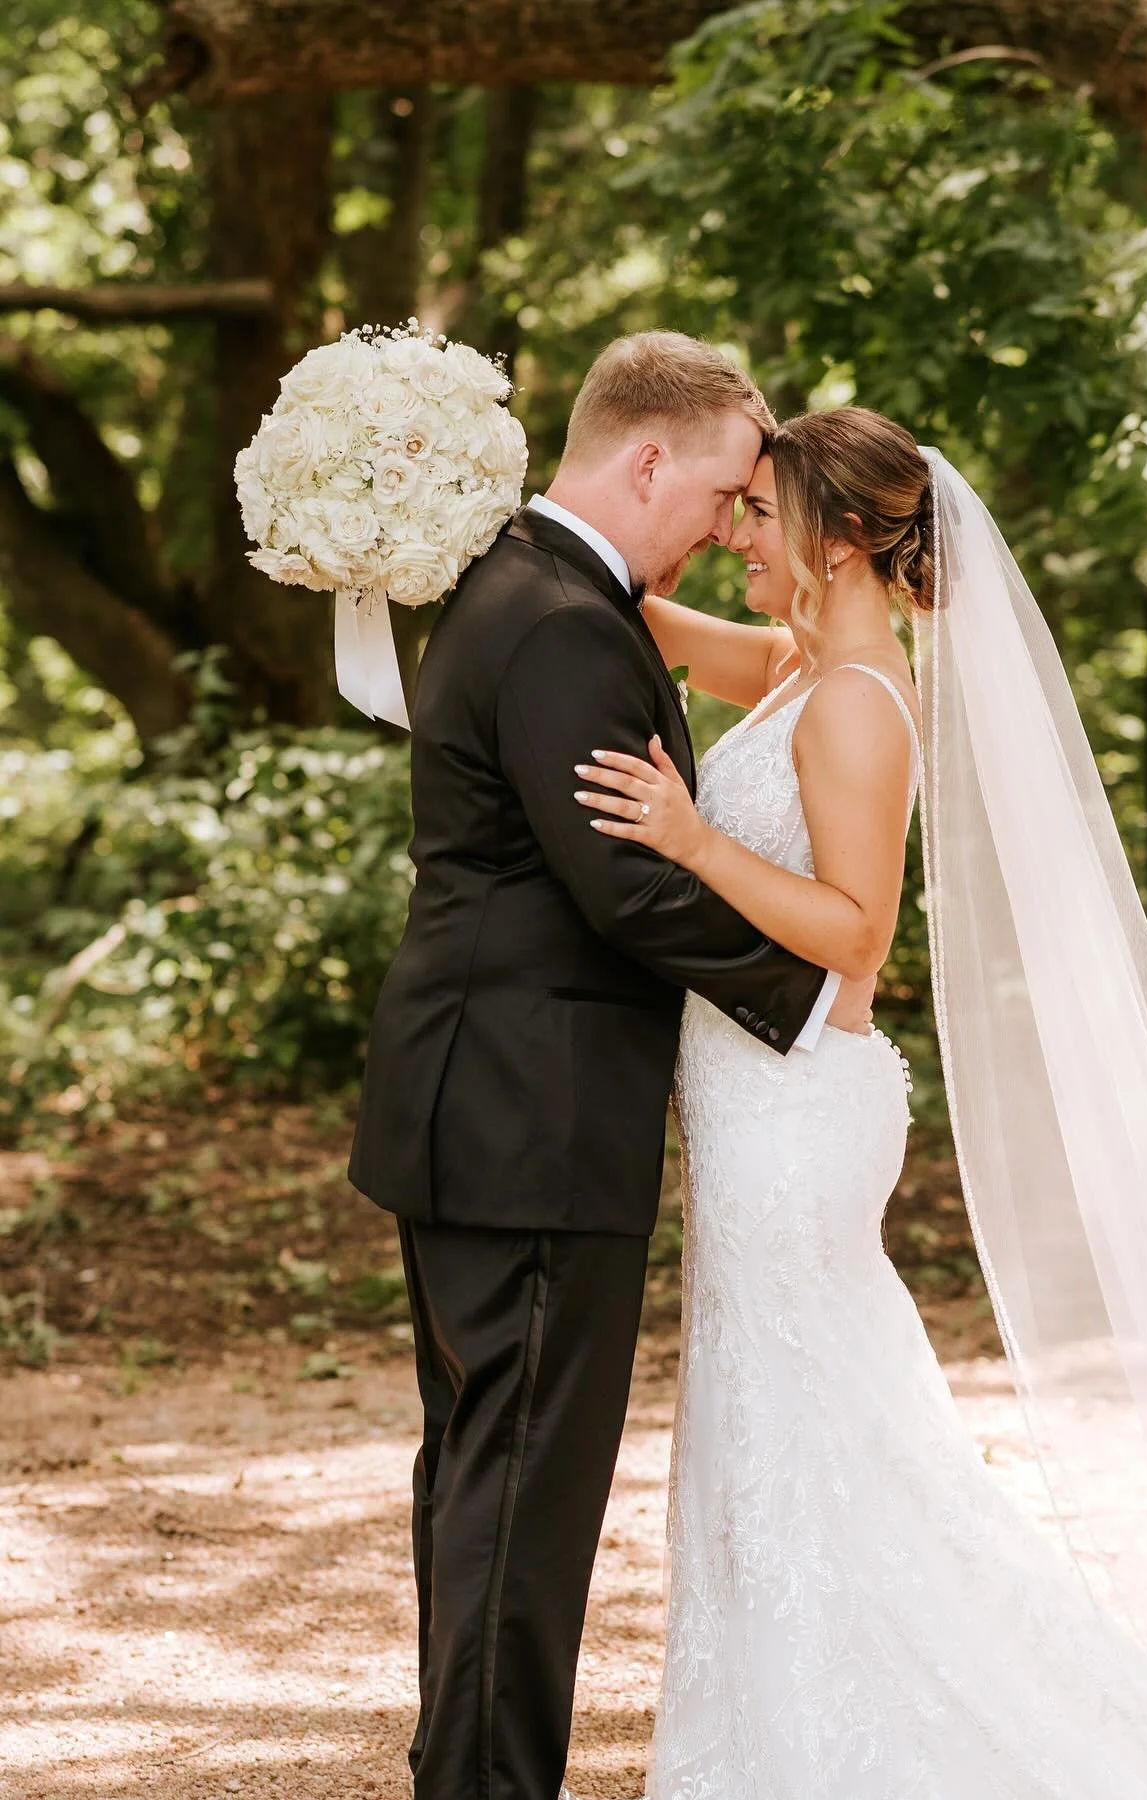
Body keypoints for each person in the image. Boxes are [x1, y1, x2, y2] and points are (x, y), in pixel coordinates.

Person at [573, 407, 1147, 1799]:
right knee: (782, 1408)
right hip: (759, 1101)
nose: (740, 529)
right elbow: (658, 626)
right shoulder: (814, 662)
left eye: (764, 510)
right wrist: (507, 534)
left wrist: (685, 840)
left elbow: (854, 933)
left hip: (796, 1109)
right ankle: (779, 1720)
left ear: (842, 540)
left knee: (808, 1411)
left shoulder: (859, 701)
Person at [347, 333, 874, 1800]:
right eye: (719, 491)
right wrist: (815, 988)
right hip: (531, 1119)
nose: (729, 521)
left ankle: (461, 1766)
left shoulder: (539, 583)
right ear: (647, 459)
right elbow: (626, 889)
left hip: (482, 1101)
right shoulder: (568, 621)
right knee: (520, 1489)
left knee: (476, 1471)